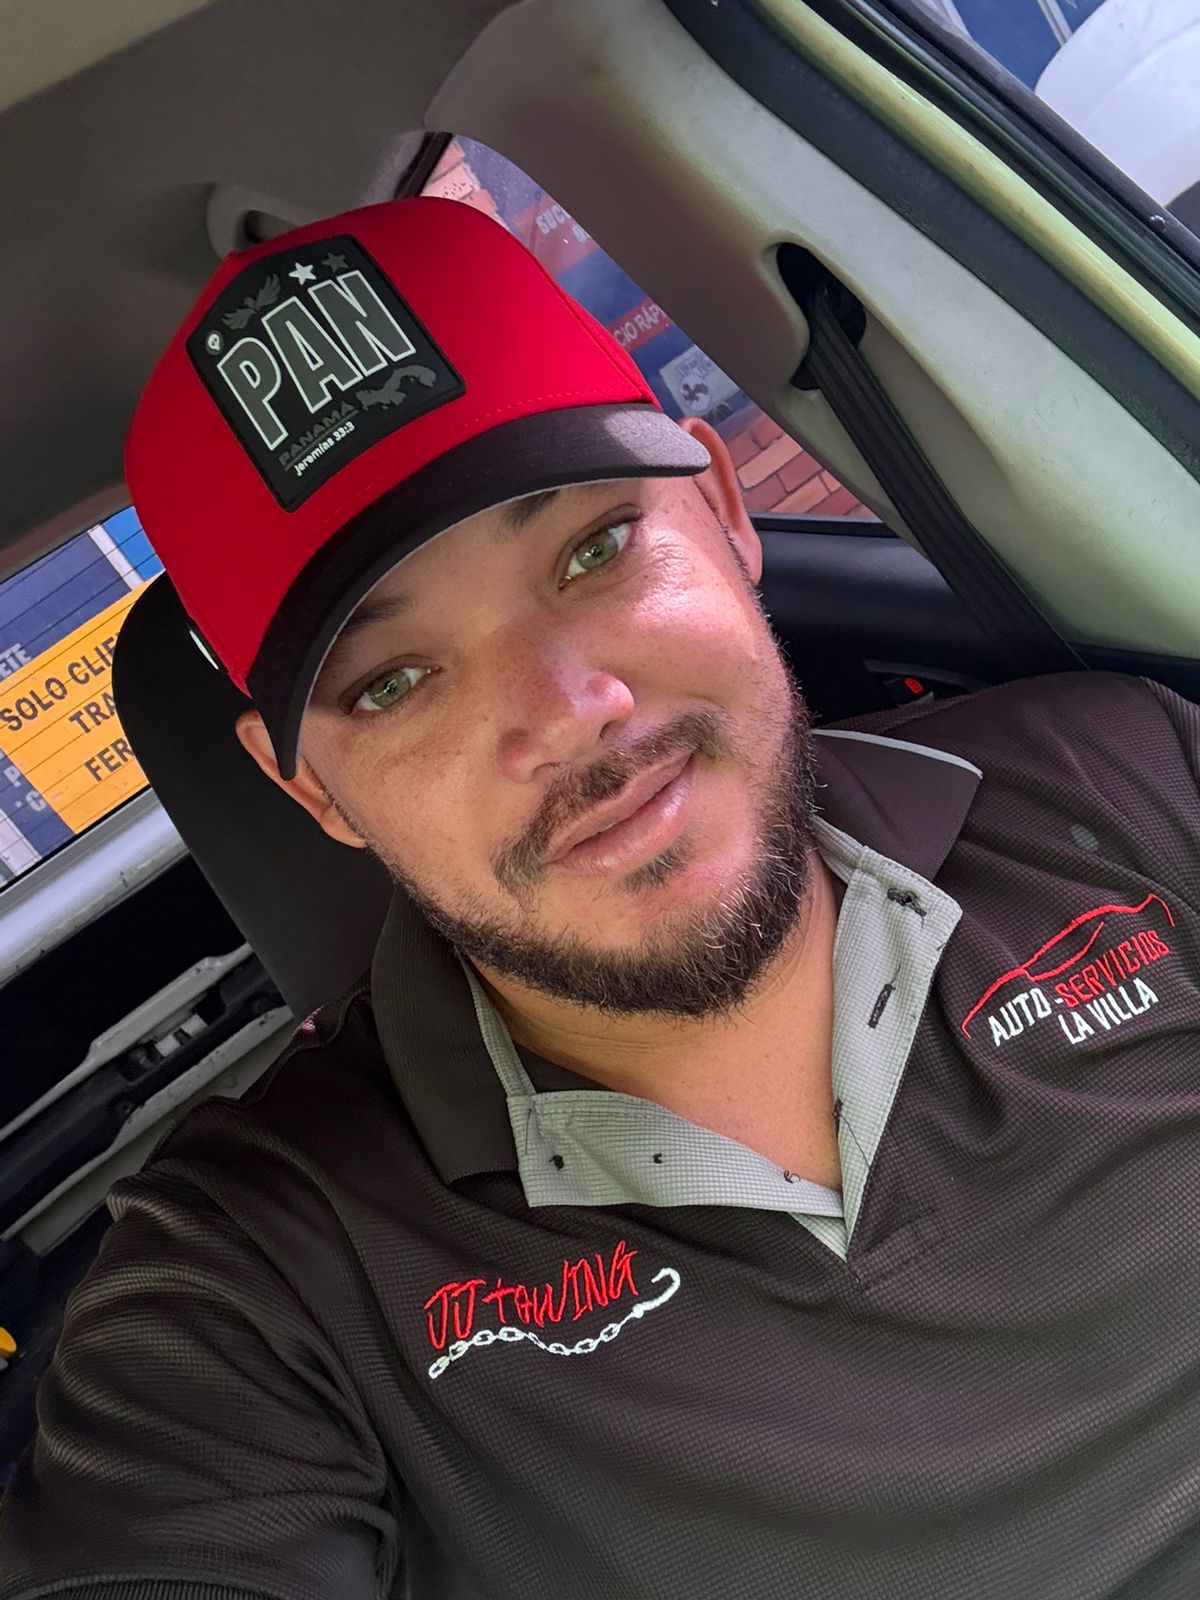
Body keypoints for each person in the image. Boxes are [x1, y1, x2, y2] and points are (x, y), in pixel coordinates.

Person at [3, 195, 1200, 1600]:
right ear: (307, 787)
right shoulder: (261, 1282)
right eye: (396, 682)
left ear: (725, 511)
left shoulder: (1123, 777)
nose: (570, 713)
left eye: (594, 551)